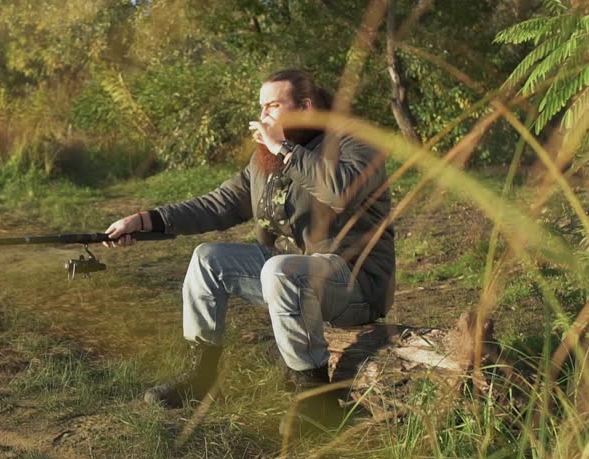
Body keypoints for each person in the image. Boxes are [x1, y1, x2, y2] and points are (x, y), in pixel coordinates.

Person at [104, 69, 395, 413]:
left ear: (305, 107)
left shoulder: (353, 142)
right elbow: (219, 204)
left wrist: (282, 148)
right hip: (290, 276)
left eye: (273, 106)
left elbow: (341, 191)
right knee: (207, 259)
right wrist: (145, 220)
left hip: (354, 282)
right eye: (261, 107)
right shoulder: (266, 160)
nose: (263, 116)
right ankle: (200, 377)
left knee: (281, 270)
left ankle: (318, 401)